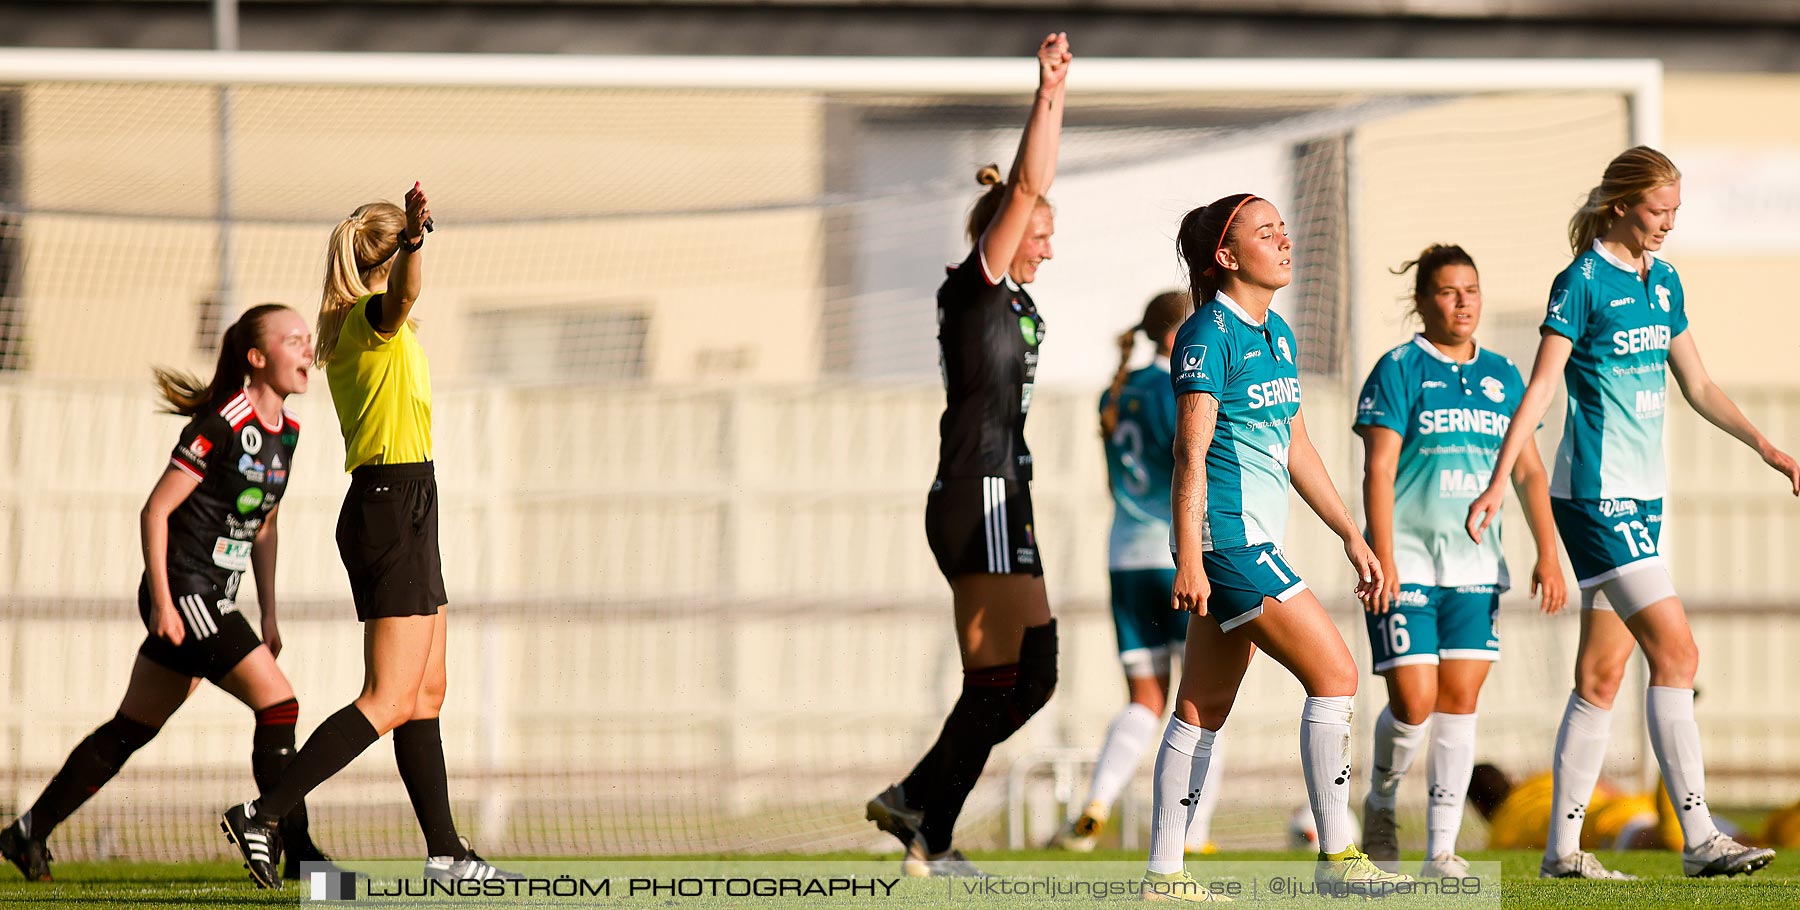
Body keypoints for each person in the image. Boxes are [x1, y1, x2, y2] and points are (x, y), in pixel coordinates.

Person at [1466, 146, 1796, 879]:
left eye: (1676, 213)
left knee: (1600, 680)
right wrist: (1497, 482)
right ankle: (1701, 836)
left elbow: (1699, 384)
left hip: (1641, 500)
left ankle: (1562, 852)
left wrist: (1766, 446)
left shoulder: (1664, 279)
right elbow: (1542, 388)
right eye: (1657, 212)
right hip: (1593, 498)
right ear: (1619, 206)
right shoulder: (1582, 281)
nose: (1668, 225)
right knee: (1677, 652)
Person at [220, 184, 516, 887]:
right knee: (386, 697)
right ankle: (262, 814)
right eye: (409, 241)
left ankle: (445, 850)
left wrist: (408, 241)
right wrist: (416, 239)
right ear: (393, 250)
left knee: (426, 694)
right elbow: (405, 295)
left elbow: (405, 304)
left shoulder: (382, 327)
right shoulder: (368, 320)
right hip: (388, 504)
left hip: (413, 500)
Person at [0, 305, 337, 883]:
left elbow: (265, 525)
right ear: (257, 358)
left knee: (131, 728)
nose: (308, 349)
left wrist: (271, 612)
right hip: (186, 592)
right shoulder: (223, 423)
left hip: (215, 599)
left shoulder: (291, 434)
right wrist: (162, 600)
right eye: (293, 340)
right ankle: (300, 852)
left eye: (309, 339)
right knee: (279, 704)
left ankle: (28, 832)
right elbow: (156, 508)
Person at [1141, 193, 1407, 901]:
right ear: (1226, 257)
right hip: (1227, 543)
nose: (1284, 240)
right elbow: (1189, 453)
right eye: (1266, 232)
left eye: (1283, 228)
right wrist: (1191, 556)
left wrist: (1351, 532)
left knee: (1201, 708)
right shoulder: (1206, 335)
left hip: (1241, 542)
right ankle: (1338, 859)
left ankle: (1165, 877)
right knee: (1337, 674)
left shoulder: (1276, 333)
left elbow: (1295, 444)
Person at [864, 33, 1070, 879]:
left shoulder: (1013, 296)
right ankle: (931, 827)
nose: (1048, 246)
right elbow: (1029, 182)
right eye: (1040, 233)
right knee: (997, 679)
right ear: (1006, 235)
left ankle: (920, 803)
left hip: (1005, 492)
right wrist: (1050, 91)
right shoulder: (974, 283)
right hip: (975, 491)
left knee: (1036, 674)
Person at [1352, 244, 1567, 878]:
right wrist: (1383, 559)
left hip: (1476, 568)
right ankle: (1382, 800)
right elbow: (1380, 469)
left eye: (1470, 289)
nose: (1462, 301)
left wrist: (1547, 553)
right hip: (1409, 562)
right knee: (1415, 702)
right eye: (1447, 291)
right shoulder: (1397, 369)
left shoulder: (1503, 375)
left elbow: (1529, 472)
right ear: (1421, 302)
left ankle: (1441, 848)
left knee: (1460, 701)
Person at [1055, 291, 1228, 855]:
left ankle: (1097, 801)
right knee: (1207, 695)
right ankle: (1194, 833)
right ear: (1179, 335)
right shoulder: (1179, 387)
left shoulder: (1117, 389)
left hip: (1124, 557)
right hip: (1179, 556)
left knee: (1145, 698)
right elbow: (1192, 463)